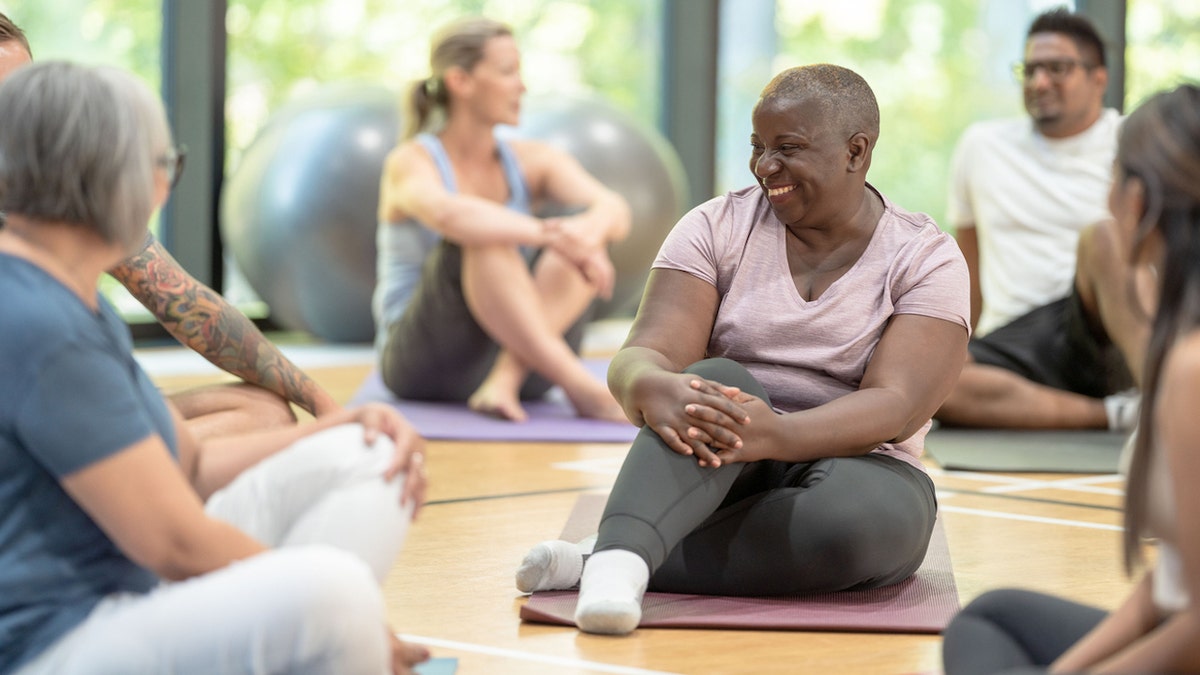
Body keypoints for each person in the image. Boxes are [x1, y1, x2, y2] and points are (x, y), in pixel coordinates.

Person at [0, 61, 430, 674]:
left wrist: (341, 422)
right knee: (336, 593)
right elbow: (174, 543)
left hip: (123, 585)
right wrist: (353, 615)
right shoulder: (38, 319)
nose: (163, 188)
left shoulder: (76, 296)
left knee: (366, 456)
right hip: (57, 642)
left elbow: (191, 466)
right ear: (111, 177)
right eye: (162, 166)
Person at [513, 63, 970, 635]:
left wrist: (778, 435)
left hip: (864, 461)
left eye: (788, 148)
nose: (765, 167)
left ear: (856, 152)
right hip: (722, 449)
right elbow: (644, 353)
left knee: (853, 529)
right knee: (716, 377)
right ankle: (620, 562)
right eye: (757, 147)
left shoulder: (927, 257)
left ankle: (598, 558)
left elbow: (897, 405)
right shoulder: (714, 226)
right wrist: (648, 385)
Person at [941, 82, 1200, 674]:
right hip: (1035, 340)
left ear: (1141, 199)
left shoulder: (1191, 369)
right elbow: (1177, 580)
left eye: (1112, 176)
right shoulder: (1181, 345)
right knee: (989, 619)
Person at [0, 10, 342, 443]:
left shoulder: (65, 196)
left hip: (66, 415)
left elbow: (191, 306)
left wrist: (322, 402)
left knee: (266, 412)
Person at [373, 16, 631, 423]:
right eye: (508, 72)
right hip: (423, 365)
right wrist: (553, 236)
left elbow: (613, 208)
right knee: (485, 234)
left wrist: (583, 235)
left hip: (526, 364)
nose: (522, 86)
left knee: (584, 233)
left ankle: (505, 378)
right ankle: (582, 389)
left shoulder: (532, 158)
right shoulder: (410, 162)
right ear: (461, 81)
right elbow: (450, 215)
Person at [933, 7, 1149, 432]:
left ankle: (1161, 395)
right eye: (1030, 70)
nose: (1039, 82)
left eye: (1057, 69)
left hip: (1101, 324)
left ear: (1098, 78)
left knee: (1103, 236)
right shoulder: (981, 146)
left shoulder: (1132, 141)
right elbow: (967, 272)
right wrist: (952, 350)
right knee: (929, 381)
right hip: (1015, 338)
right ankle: (1121, 414)